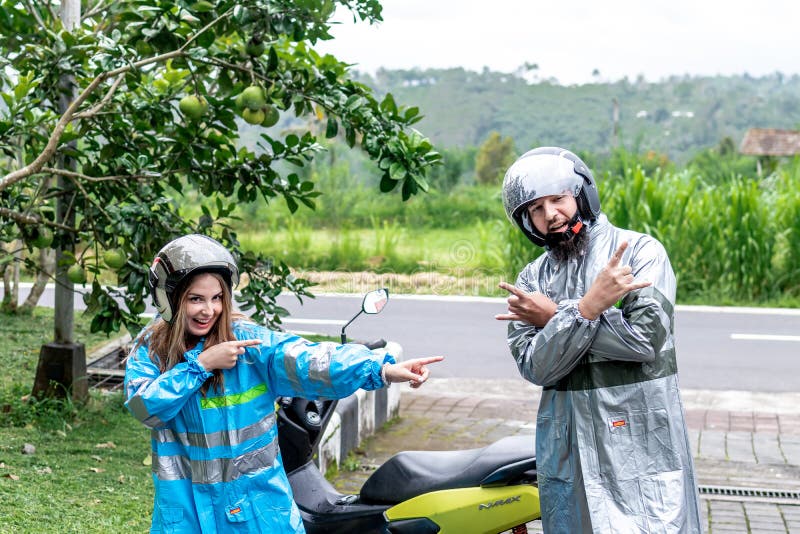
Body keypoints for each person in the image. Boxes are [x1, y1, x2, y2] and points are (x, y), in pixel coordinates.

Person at [124, 234, 443, 533]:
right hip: (186, 516)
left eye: (217, 298)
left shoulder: (247, 344)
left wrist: (381, 369)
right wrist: (202, 365)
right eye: (196, 299)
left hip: (259, 512)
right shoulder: (152, 350)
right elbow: (145, 407)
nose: (209, 310)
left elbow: (310, 359)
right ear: (170, 298)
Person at [495, 147, 701, 533]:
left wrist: (555, 316)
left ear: (581, 196)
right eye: (536, 209)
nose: (550, 215)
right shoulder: (531, 280)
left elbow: (644, 340)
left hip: (641, 442)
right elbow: (536, 366)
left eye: (558, 200)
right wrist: (588, 308)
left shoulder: (639, 253)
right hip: (570, 447)